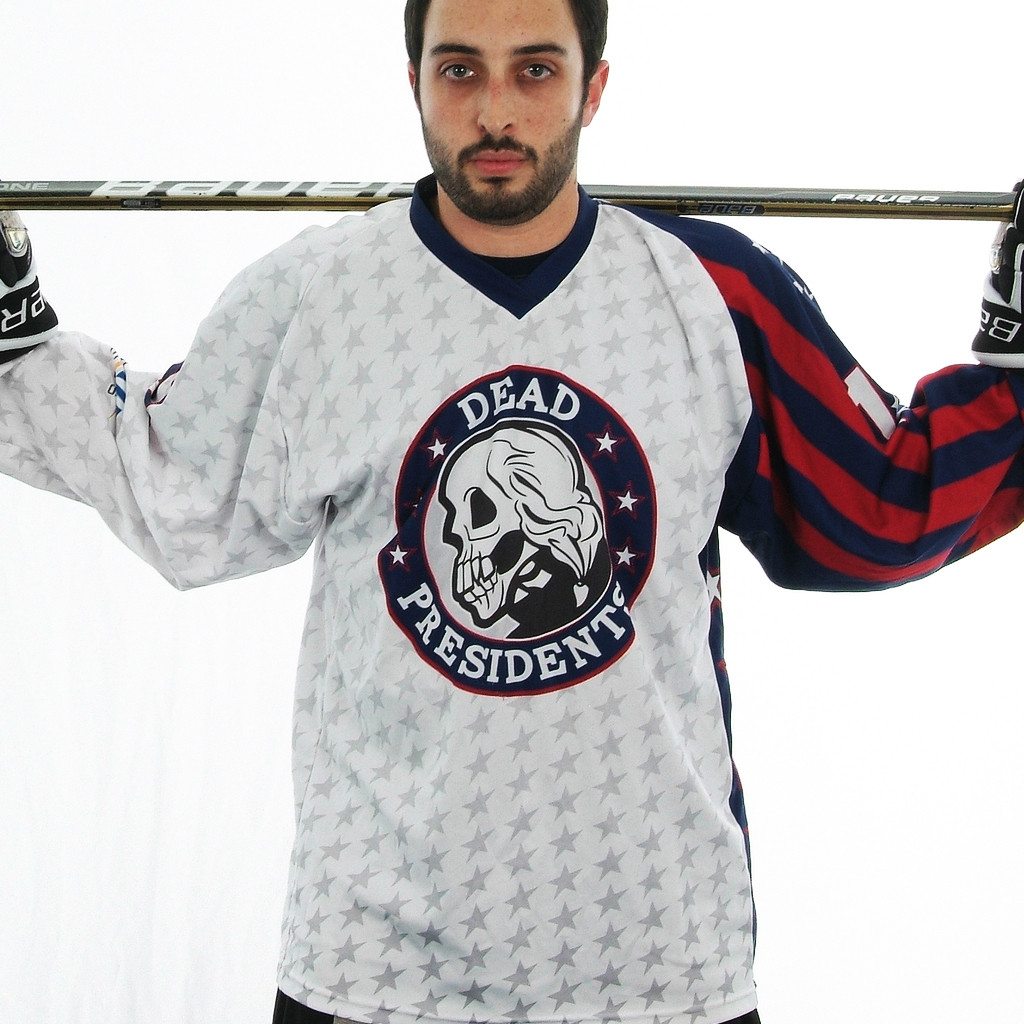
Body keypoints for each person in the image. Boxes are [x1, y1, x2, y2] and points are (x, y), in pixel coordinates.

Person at [2, 0, 1022, 1022]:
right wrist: (13, 324)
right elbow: (172, 480)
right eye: (459, 70)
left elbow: (874, 503)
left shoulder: (714, 293)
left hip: (658, 970)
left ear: (593, 86)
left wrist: (1015, 355)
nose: (495, 111)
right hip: (376, 974)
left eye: (535, 70)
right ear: (413, 83)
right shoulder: (319, 296)